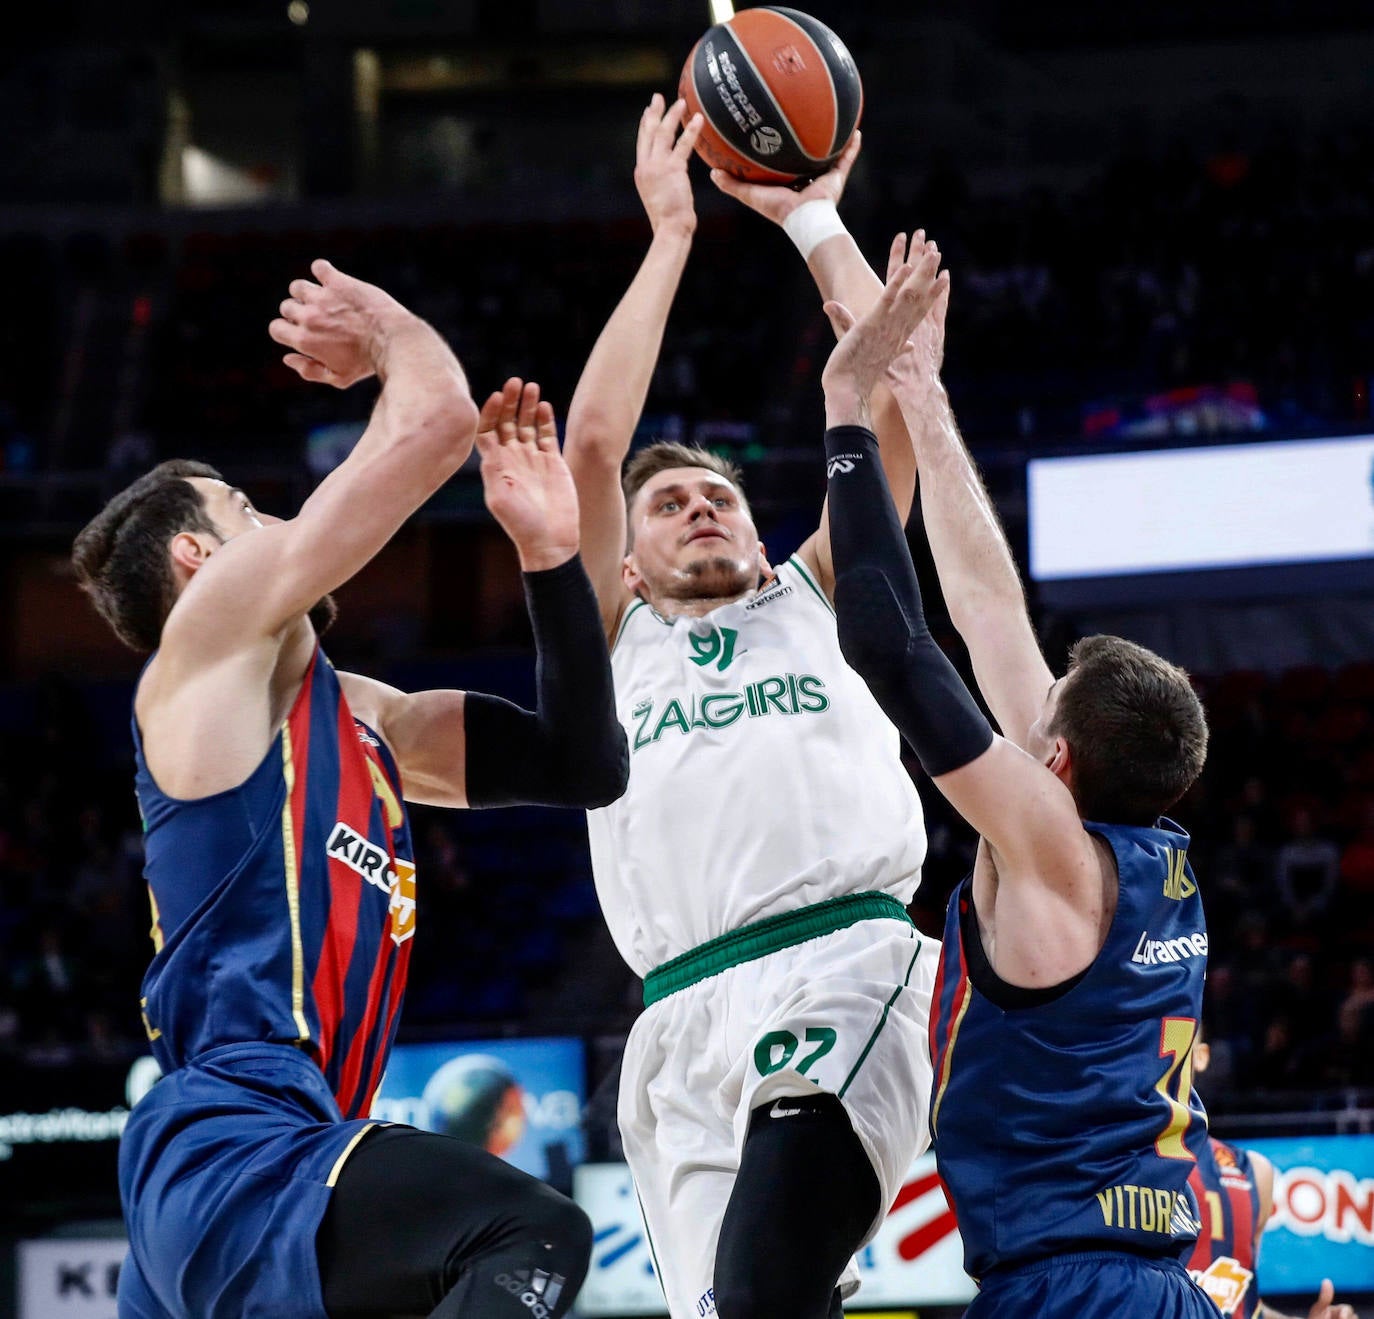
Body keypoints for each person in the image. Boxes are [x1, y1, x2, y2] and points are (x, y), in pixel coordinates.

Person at [69, 260, 628, 1319]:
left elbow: (581, 763)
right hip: (234, 1132)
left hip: (285, 1139)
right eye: (248, 508)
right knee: (531, 1230)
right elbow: (434, 423)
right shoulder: (208, 642)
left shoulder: (364, 715)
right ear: (198, 557)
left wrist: (551, 557)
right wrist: (386, 329)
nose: (282, 520)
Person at [561, 97, 940, 1319]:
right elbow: (593, 444)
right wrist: (668, 235)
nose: (700, 509)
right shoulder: (608, 642)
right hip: (676, 1023)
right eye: (668, 505)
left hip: (845, 957)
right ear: (624, 559)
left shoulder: (816, 594)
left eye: (717, 495)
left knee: (767, 1280)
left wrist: (812, 216)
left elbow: (889, 407)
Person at [816, 237, 1215, 1315]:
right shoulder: (1146, 852)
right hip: (1149, 1283)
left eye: (1039, 713)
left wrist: (849, 410)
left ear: (1057, 759)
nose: (1022, 701)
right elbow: (991, 614)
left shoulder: (1049, 847)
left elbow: (893, 647)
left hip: (1073, 1292)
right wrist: (925, 397)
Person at [1187, 1026, 1360, 1319]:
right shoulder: (1108, 1160)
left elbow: (1245, 1305)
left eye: (1179, 1036)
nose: (1165, 1051)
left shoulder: (1254, 1172)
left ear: (1201, 1057)